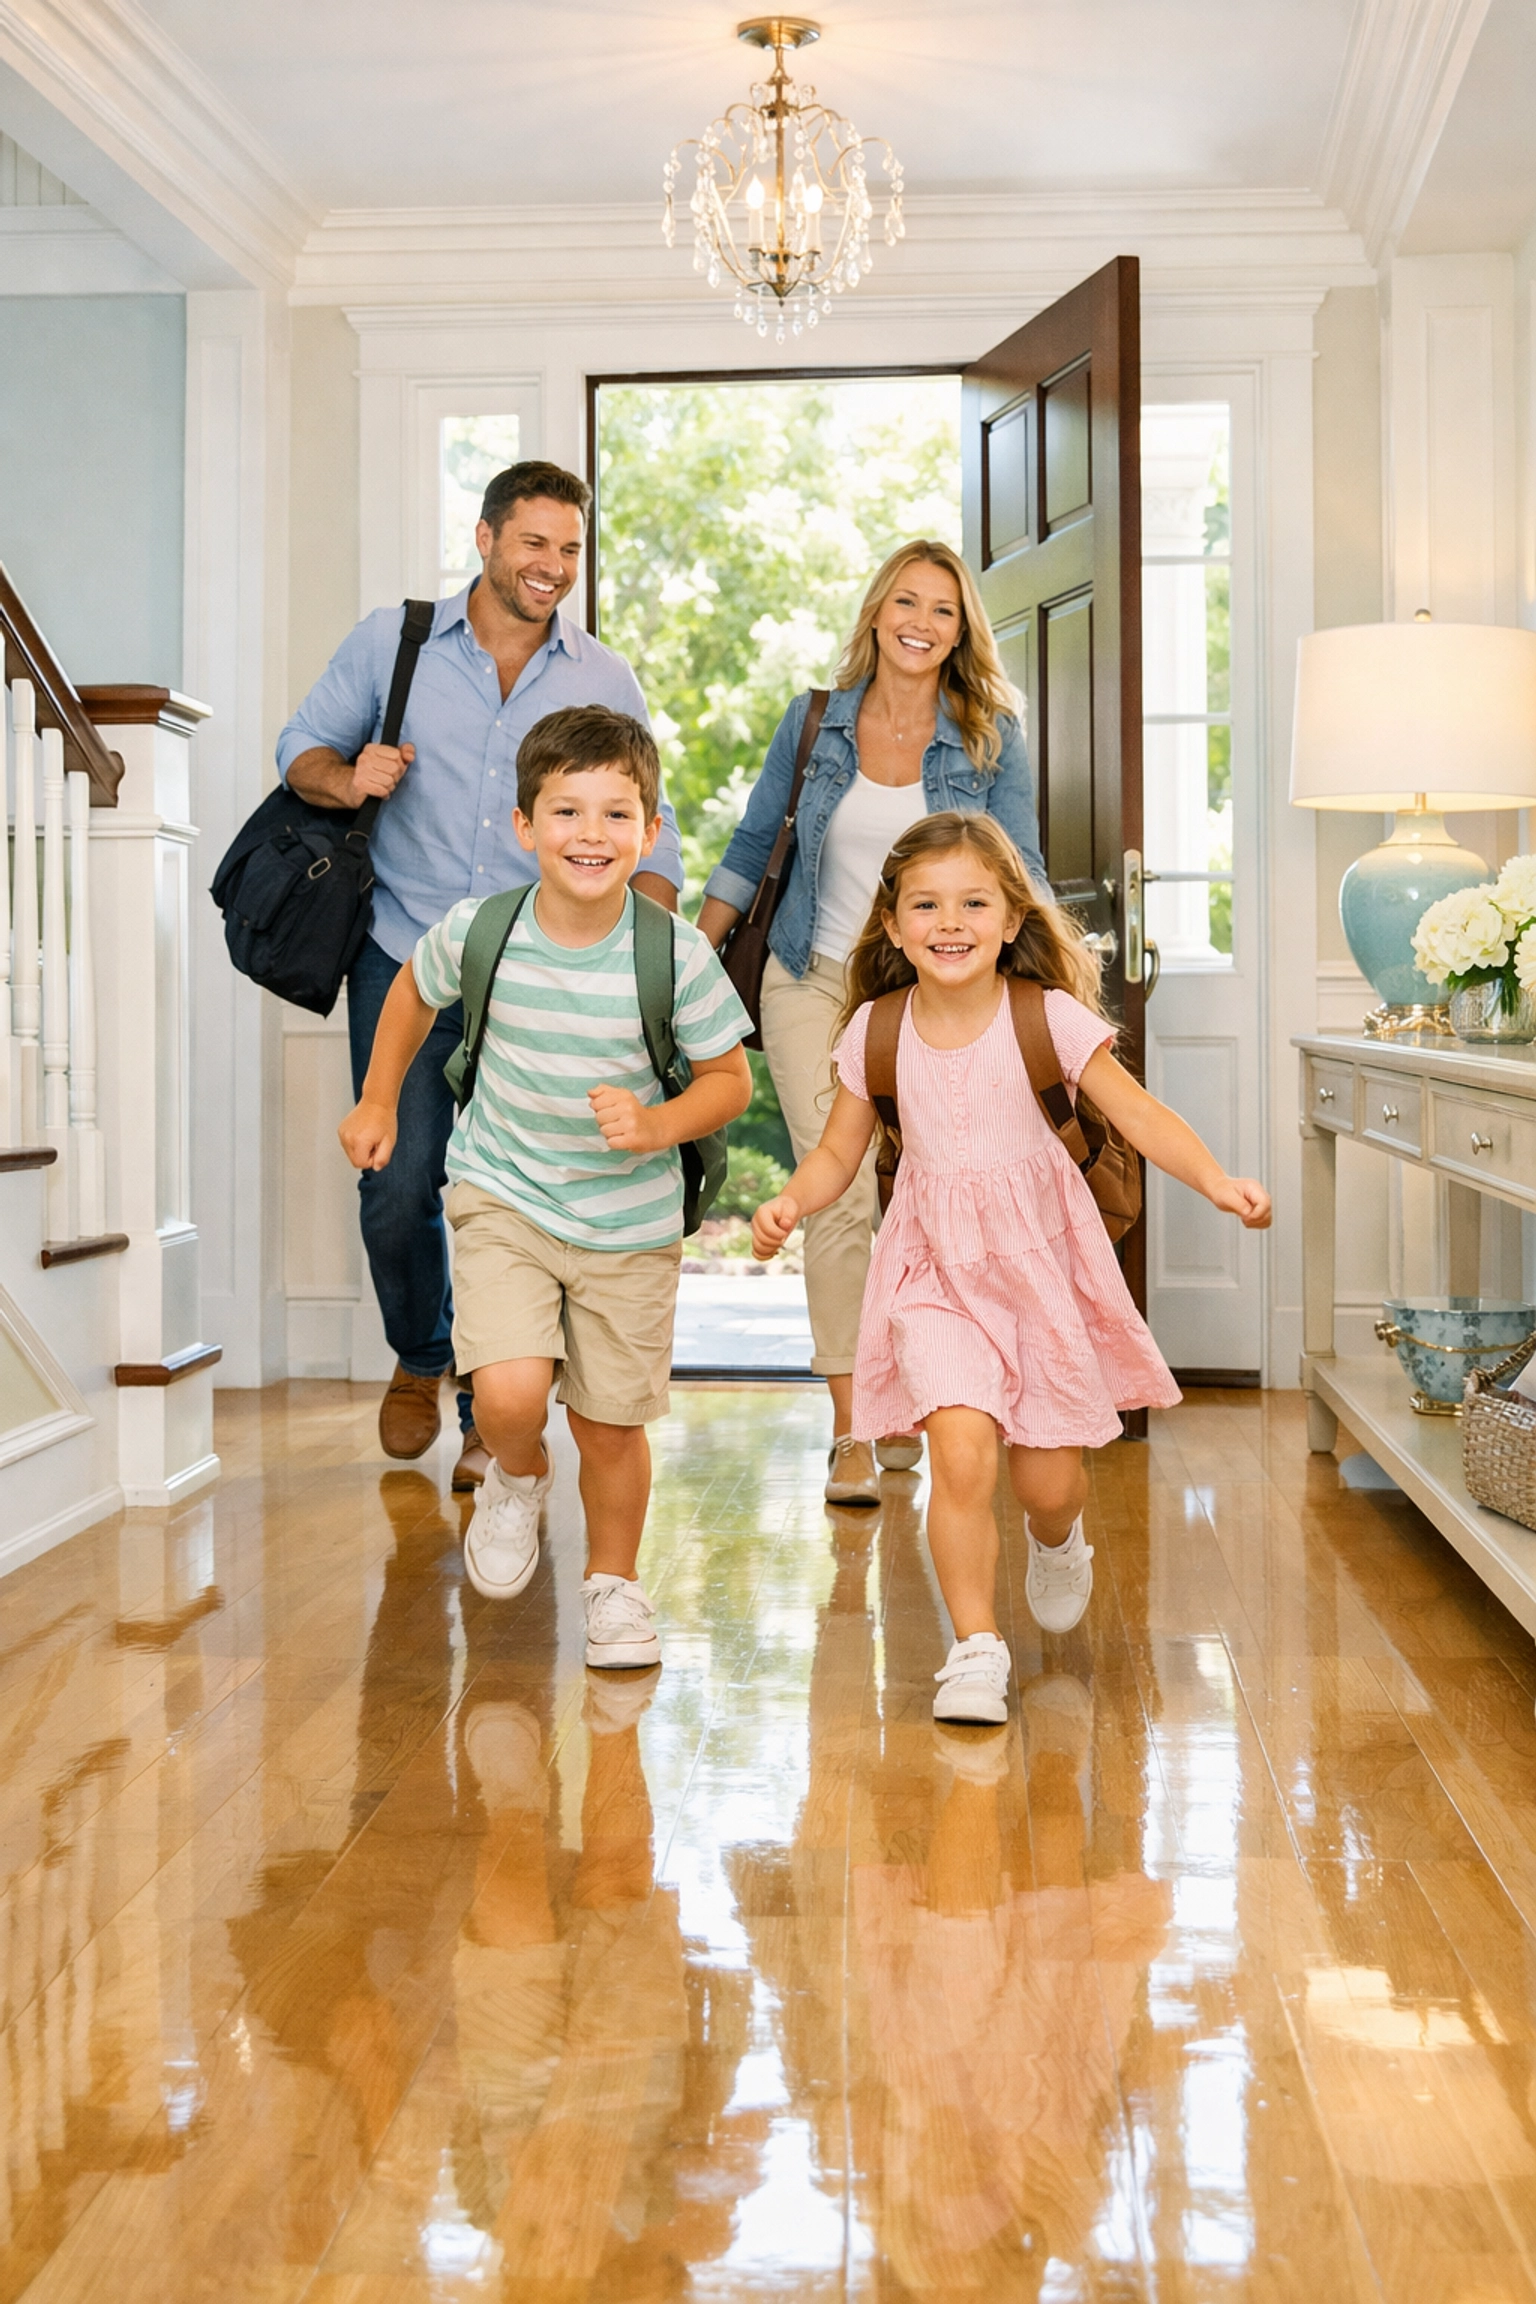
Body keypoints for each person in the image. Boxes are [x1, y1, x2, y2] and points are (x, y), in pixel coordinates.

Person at [750, 812, 1271, 1725]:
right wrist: (793, 1201)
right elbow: (838, 1153)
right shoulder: (875, 1030)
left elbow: (1141, 1117)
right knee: (956, 1450)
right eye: (927, 904)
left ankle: (1057, 1540)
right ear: (893, 923)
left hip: (1038, 1273)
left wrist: (1218, 1180)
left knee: (1047, 1484)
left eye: (973, 902)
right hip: (932, 1273)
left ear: (1011, 918)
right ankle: (976, 1649)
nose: (950, 922)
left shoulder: (1047, 1016)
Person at [279, 460, 684, 1488]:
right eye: (533, 543)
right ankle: (423, 1356)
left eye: (569, 550)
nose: (552, 567)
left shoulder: (602, 678)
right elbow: (300, 750)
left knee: (517, 1194)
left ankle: (484, 1417)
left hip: (531, 971)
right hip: (405, 951)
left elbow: (654, 829)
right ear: (487, 537)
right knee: (399, 1178)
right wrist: (347, 775)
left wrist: (650, 965)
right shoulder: (397, 642)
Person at [337, 704, 751, 1662]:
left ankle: (614, 1587)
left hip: (630, 1222)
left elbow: (729, 1081)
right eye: (567, 812)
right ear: (523, 827)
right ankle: (515, 1477)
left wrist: (653, 1125)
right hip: (504, 1195)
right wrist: (378, 1101)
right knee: (512, 1394)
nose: (590, 835)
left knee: (610, 1426)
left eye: (616, 815)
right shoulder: (481, 929)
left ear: (651, 832)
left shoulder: (672, 951)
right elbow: (409, 990)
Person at [697, 540, 1046, 1509]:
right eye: (906, 602)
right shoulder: (816, 724)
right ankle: (856, 1427)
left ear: (961, 630)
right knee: (841, 1196)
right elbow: (753, 842)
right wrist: (687, 959)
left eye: (942, 610)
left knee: (934, 1196)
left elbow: (1019, 869)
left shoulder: (989, 738)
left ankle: (926, 1397)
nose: (921, 623)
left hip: (931, 996)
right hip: (810, 979)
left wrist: (1056, 990)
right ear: (876, 613)